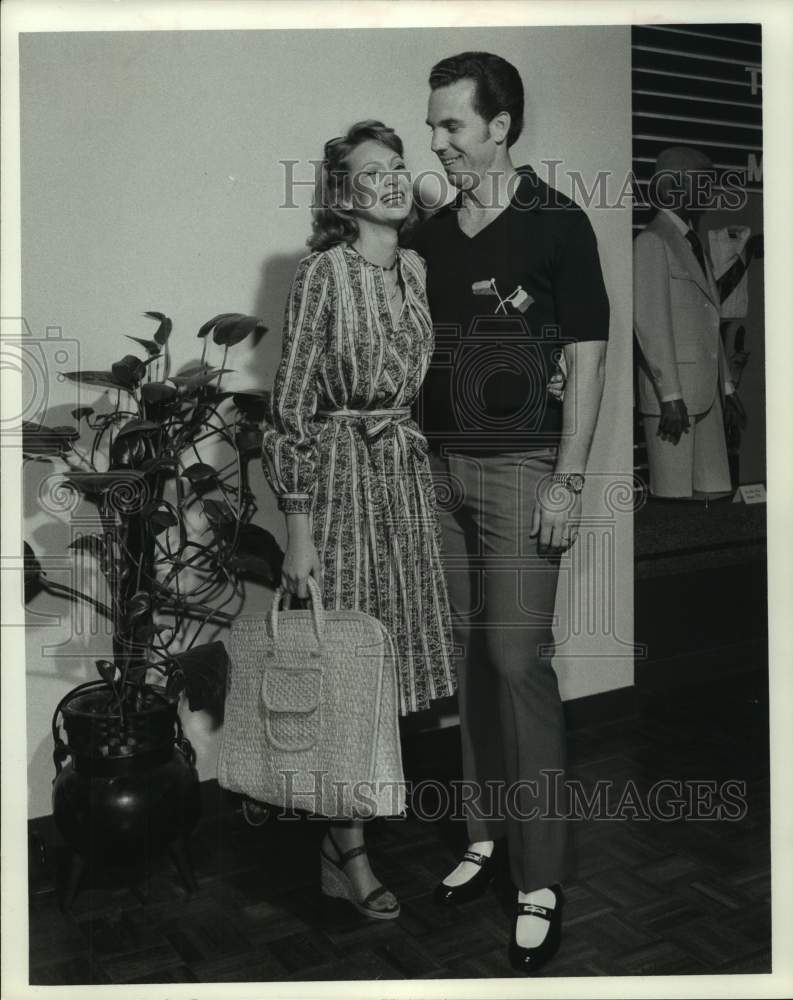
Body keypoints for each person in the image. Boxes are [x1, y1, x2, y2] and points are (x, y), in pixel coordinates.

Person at [410, 52, 609, 973]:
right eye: (433, 122)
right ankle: (484, 837)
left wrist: (568, 479)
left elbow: (591, 358)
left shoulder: (558, 222)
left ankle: (540, 877)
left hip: (525, 467)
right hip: (441, 471)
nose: (437, 139)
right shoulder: (436, 233)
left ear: (500, 126)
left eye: (452, 123)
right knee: (471, 666)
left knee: (515, 662)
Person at [261, 120, 456, 921]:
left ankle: (349, 833)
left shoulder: (414, 267)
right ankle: (345, 853)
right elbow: (289, 409)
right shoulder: (321, 273)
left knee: (388, 671)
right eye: (368, 170)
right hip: (338, 485)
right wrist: (299, 531)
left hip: (400, 482)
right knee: (345, 670)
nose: (389, 178)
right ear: (341, 194)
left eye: (397, 165)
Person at [633, 145, 750, 499]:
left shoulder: (692, 241)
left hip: (708, 395)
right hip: (674, 401)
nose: (710, 193)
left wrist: (727, 387)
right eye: (702, 184)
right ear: (672, 188)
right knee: (674, 500)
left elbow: (707, 319)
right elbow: (650, 326)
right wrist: (670, 395)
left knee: (713, 494)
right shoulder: (651, 241)